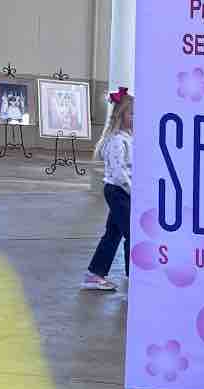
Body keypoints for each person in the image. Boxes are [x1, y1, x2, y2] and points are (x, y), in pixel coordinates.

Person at [81, 88, 133, 291]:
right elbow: (119, 174)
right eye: (132, 114)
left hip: (121, 191)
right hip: (118, 191)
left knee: (113, 233)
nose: (135, 118)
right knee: (132, 234)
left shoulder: (128, 137)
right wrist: (135, 192)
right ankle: (134, 277)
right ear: (121, 115)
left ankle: (94, 274)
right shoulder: (117, 140)